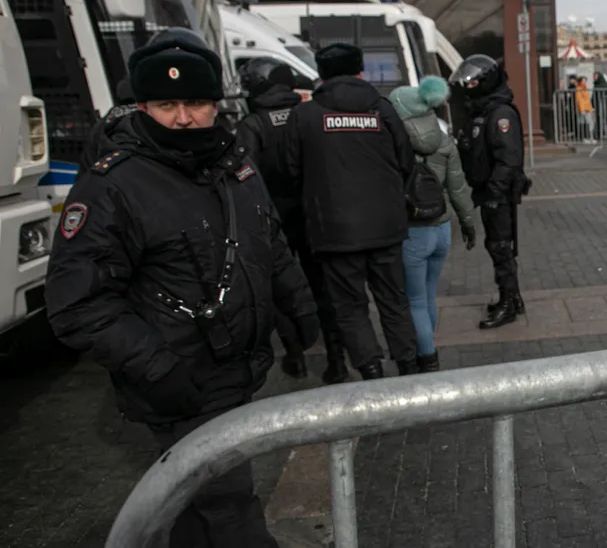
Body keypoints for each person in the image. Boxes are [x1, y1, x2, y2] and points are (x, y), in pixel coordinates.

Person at [46, 30, 319, 548]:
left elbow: (269, 239)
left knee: (197, 510)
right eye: (166, 104)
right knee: (229, 506)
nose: (183, 118)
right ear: (143, 106)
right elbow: (76, 303)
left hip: (237, 368)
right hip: (180, 384)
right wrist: (158, 368)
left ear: (216, 105)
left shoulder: (233, 163)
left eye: (195, 102)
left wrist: (298, 306)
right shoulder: (112, 185)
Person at [283, 43, 417, 379]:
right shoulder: (382, 109)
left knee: (349, 306)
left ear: (321, 74)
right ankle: (409, 367)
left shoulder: (304, 115)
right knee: (394, 301)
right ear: (361, 72)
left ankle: (370, 371)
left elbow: (291, 171)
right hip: (386, 226)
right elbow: (406, 161)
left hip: (334, 231)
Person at [237, 57, 344, 383]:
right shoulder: (308, 114)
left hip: (274, 221)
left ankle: (295, 356)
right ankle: (337, 359)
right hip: (314, 215)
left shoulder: (252, 125)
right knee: (323, 288)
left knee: (280, 289)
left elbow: (245, 179)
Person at [388, 77, 477, 371]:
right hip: (441, 229)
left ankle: (426, 359)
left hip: (413, 232)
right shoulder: (444, 143)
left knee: (413, 300)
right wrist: (468, 224)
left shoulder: (394, 146)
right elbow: (459, 188)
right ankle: (429, 346)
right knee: (427, 295)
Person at [449, 55, 528, 329]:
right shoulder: (483, 110)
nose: (468, 87)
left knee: (501, 248)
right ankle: (513, 297)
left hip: (498, 194)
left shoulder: (500, 114)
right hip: (486, 189)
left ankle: (508, 303)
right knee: (497, 247)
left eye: (473, 82)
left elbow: (509, 159)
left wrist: (495, 194)